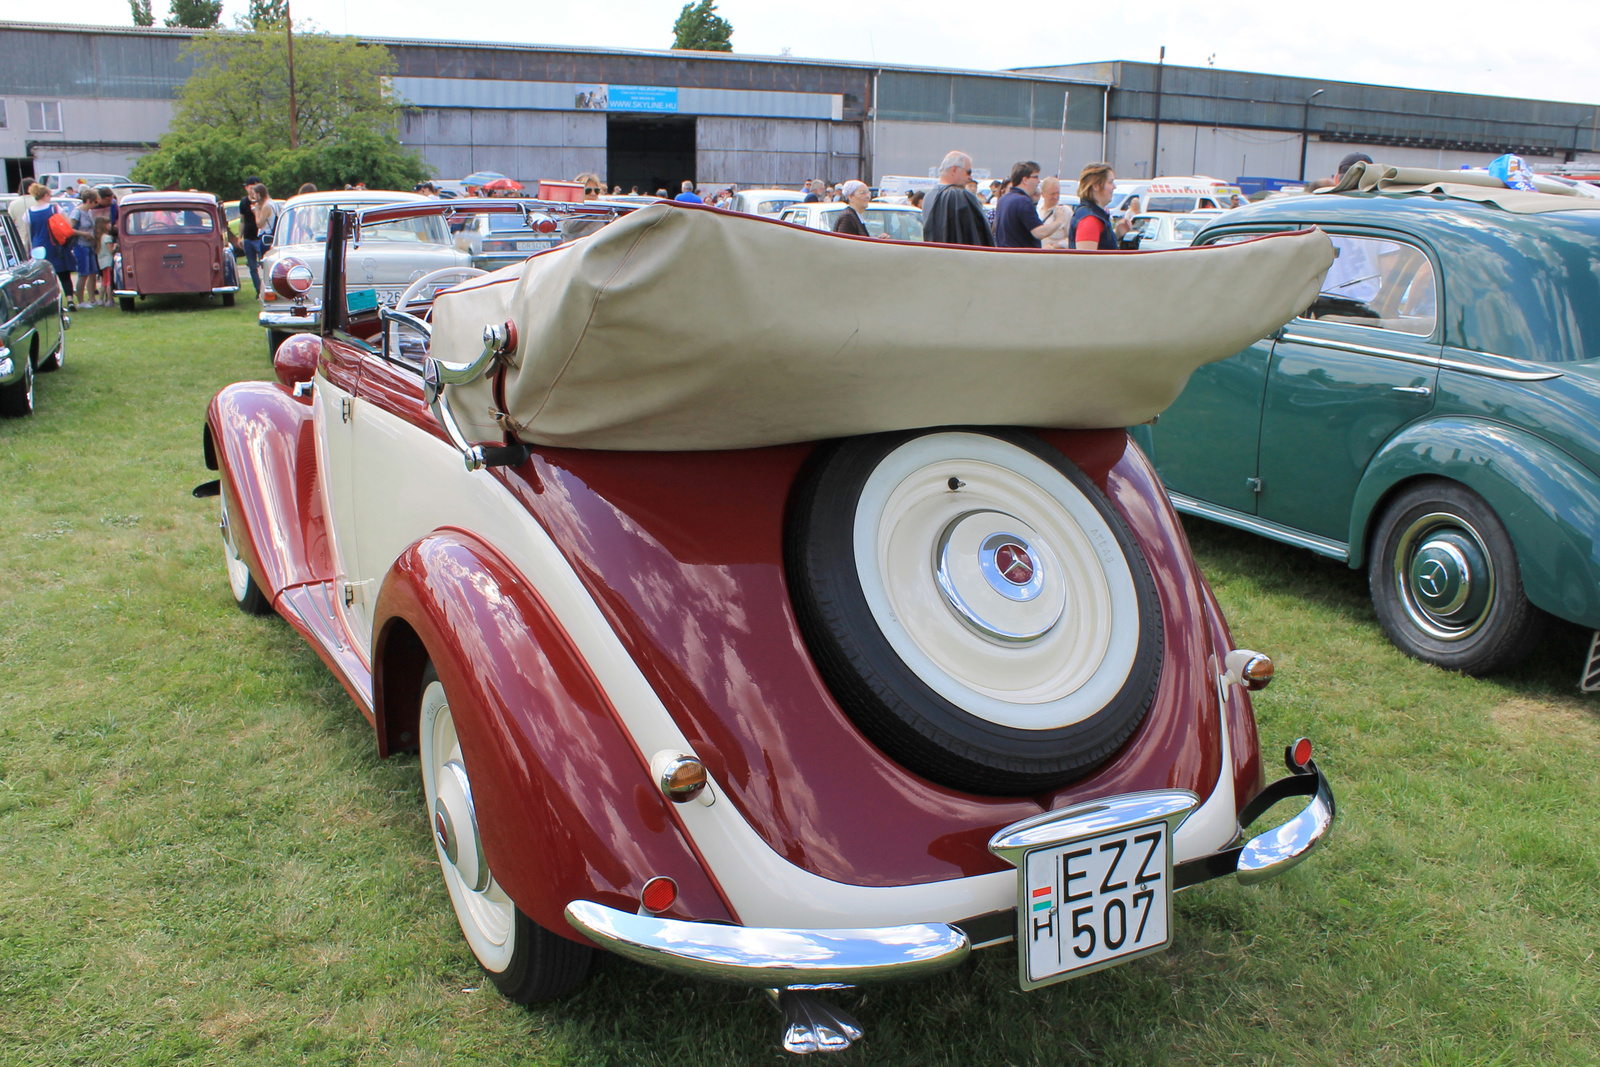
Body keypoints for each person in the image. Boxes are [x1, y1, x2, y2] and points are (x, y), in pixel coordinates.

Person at [921, 151, 993, 246]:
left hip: (936, 257)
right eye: (968, 172)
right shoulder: (961, 195)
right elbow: (979, 235)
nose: (970, 177)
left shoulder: (928, 197)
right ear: (954, 170)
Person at [994, 161, 1064, 249]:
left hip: (1006, 256)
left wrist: (1034, 202)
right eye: (1036, 177)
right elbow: (1039, 232)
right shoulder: (1023, 201)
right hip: (1022, 258)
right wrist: (1059, 221)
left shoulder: (1003, 199)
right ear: (1025, 180)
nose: (1038, 181)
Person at [27, 185, 76, 307]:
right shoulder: (54, 208)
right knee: (64, 275)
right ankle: (69, 299)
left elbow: (28, 234)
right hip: (56, 244)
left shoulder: (28, 213)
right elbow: (67, 224)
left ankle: (52, 301)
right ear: (45, 196)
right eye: (49, 195)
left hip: (39, 247)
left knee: (46, 276)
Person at [1066, 162, 1128, 250]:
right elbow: (1087, 260)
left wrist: (1117, 233)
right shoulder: (1090, 219)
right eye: (1110, 182)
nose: (1114, 187)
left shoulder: (1094, 214)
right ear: (1096, 186)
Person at [69, 188, 100, 307]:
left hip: (90, 245)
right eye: (95, 202)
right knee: (83, 273)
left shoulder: (90, 212)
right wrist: (84, 234)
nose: (96, 205)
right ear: (88, 201)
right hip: (80, 245)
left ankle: (92, 299)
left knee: (93, 272)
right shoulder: (77, 212)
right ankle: (81, 301)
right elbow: (70, 229)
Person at [238, 175, 263, 295]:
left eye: (256, 188)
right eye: (251, 188)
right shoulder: (243, 202)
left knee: (264, 264)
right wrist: (239, 237)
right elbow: (242, 220)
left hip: (259, 237)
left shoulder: (262, 202)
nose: (253, 191)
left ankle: (266, 288)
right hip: (248, 237)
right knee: (252, 267)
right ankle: (258, 289)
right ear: (247, 188)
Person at [9, 178, 38, 246]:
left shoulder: (13, 204)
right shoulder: (40, 202)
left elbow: (10, 223)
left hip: (22, 241)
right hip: (40, 240)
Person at [251, 183, 280, 250]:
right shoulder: (272, 203)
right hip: (273, 234)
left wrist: (256, 210)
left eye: (254, 194)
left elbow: (259, 224)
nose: (254, 197)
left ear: (258, 194)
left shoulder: (266, 206)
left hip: (266, 236)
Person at [94, 216, 115, 306]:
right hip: (108, 261)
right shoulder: (107, 237)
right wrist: (115, 246)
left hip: (101, 261)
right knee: (109, 281)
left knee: (104, 281)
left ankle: (101, 299)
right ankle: (109, 300)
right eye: (108, 223)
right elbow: (110, 250)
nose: (110, 225)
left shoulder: (98, 238)